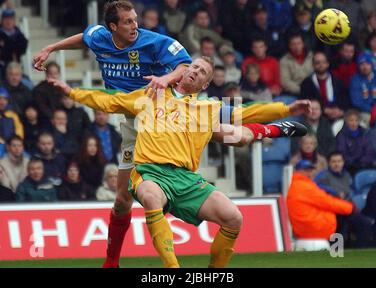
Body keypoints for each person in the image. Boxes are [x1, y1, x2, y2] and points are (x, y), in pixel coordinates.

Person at [49, 57, 311, 267]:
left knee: (234, 216)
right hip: (150, 172)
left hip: (186, 178)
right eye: (194, 66)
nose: (195, 71)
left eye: (202, 72)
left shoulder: (209, 107)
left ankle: (273, 130)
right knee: (152, 197)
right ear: (184, 71)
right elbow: (110, 100)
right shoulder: (153, 94)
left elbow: (247, 111)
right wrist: (73, 92)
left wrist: (285, 109)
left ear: (206, 85)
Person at [33, 0, 192, 268]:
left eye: (135, 19)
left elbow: (184, 65)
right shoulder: (101, 37)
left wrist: (166, 79)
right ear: (112, 27)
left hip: (159, 116)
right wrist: (51, 47)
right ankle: (111, 262)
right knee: (121, 200)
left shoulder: (153, 42)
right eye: (128, 22)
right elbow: (84, 37)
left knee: (157, 190)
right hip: (131, 120)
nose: (135, 25)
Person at [287, 159, 354, 240]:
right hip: (313, 227)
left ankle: (339, 248)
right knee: (345, 217)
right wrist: (350, 208)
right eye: (306, 170)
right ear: (297, 171)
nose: (309, 173)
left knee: (342, 216)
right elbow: (328, 202)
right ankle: (338, 250)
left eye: (310, 170)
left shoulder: (298, 184)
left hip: (304, 226)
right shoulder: (305, 187)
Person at [300, 51, 350, 121]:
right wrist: (324, 110)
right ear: (313, 65)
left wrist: (340, 110)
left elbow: (345, 98)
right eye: (318, 63)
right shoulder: (307, 83)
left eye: (324, 62)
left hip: (338, 115)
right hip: (317, 117)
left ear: (328, 64)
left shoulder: (337, 81)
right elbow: (306, 102)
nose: (321, 65)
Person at [336, 109, 375, 175]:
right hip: (348, 167)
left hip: (364, 165)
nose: (354, 123)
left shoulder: (365, 133)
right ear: (346, 121)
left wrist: (361, 163)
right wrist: (352, 162)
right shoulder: (341, 135)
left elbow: (369, 151)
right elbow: (341, 151)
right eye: (351, 120)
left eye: (356, 120)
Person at [280, 32, 313, 97]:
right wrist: (301, 90)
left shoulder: (312, 57)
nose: (296, 47)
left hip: (313, 91)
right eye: (293, 44)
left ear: (303, 44)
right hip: (293, 94)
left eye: (299, 43)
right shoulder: (284, 60)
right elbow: (285, 81)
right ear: (289, 46)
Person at [349, 52, 376, 125]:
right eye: (362, 64)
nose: (365, 67)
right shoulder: (355, 80)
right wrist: (372, 110)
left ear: (371, 64)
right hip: (363, 112)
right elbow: (356, 102)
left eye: (367, 63)